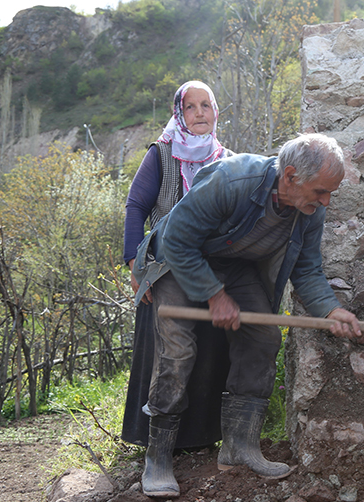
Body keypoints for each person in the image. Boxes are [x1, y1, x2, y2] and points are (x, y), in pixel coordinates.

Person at [131, 133, 364, 497]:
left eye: (330, 192)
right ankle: (158, 457)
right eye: (321, 191)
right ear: (290, 176)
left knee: (264, 338)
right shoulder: (232, 179)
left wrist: (331, 309)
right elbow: (176, 239)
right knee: (177, 351)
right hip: (177, 261)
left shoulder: (308, 211)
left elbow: (306, 270)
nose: (327, 201)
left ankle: (239, 447)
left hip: (233, 265)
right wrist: (214, 295)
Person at [121, 80, 233, 452]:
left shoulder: (227, 159)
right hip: (166, 266)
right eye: (191, 107)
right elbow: (136, 206)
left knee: (209, 349)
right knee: (171, 352)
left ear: (216, 112)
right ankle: (156, 444)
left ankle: (199, 439)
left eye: (206, 106)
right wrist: (137, 266)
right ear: (179, 114)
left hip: (210, 270)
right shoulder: (163, 154)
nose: (200, 113)